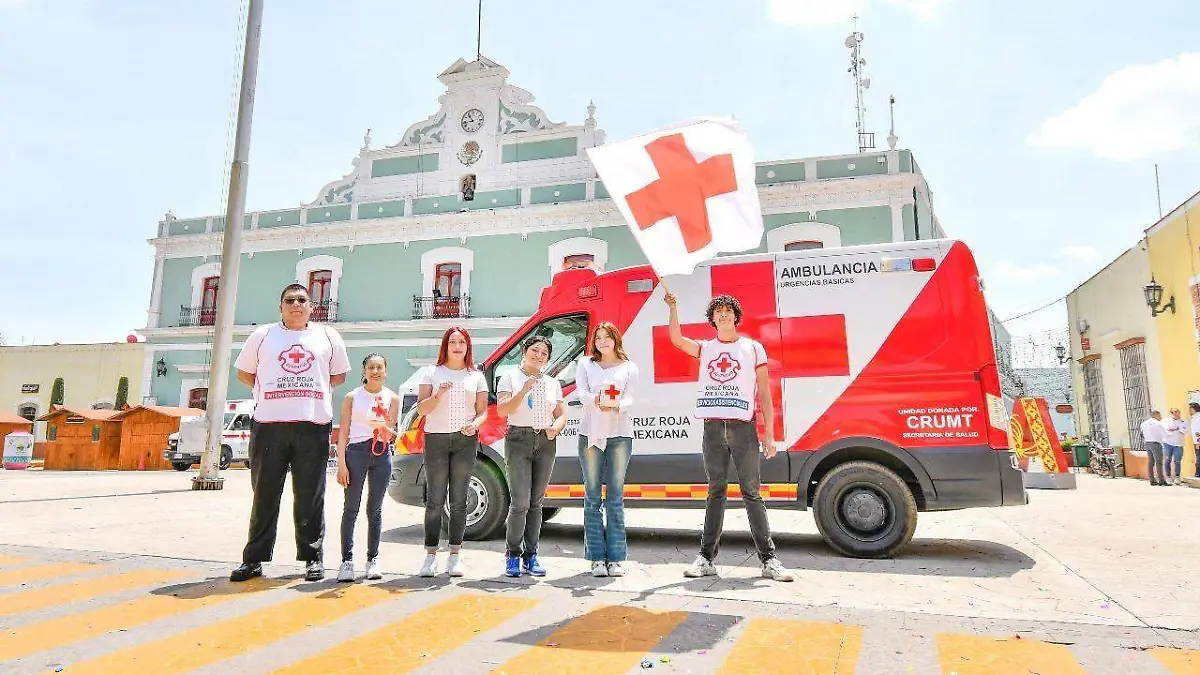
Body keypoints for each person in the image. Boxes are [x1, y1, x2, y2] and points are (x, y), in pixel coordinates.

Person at [664, 291, 795, 582]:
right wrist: (674, 308)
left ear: (736, 316)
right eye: (717, 312)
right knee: (716, 492)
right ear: (712, 319)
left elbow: (763, 392)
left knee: (752, 492)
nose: (723, 315)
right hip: (712, 427)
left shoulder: (753, 348)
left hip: (743, 427)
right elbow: (676, 340)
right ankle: (706, 558)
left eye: (727, 311)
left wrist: (769, 434)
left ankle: (769, 560)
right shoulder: (706, 348)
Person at [231, 283, 351, 582]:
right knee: (265, 495)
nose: (296, 305)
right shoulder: (263, 335)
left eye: (302, 300)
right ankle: (254, 559)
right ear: (280, 306)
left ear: (311, 306)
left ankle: (312, 558)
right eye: (289, 300)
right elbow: (245, 373)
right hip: (269, 426)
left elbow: (338, 375)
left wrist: (305, 392)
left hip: (312, 425)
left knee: (310, 495)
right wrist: (272, 391)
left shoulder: (328, 336)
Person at [415, 327, 488, 577]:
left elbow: (483, 412)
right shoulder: (431, 373)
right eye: (452, 342)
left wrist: (475, 425)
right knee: (435, 500)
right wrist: (438, 394)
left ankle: (455, 555)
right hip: (436, 439)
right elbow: (422, 410)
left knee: (459, 500)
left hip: (464, 441)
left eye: (462, 342)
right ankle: (430, 556)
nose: (457, 346)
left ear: (468, 347)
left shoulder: (475, 376)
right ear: (445, 346)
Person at [496, 336, 567, 578]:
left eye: (544, 353)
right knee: (520, 503)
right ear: (524, 352)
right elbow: (503, 409)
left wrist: (555, 427)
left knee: (537, 503)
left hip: (545, 441)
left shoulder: (552, 383)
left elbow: (560, 414)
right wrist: (523, 389)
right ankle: (513, 556)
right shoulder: (510, 377)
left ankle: (531, 556)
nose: (539, 356)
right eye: (534, 350)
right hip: (519, 439)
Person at [575, 322, 639, 578]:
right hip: (590, 435)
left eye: (607, 337)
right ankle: (596, 559)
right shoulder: (585, 364)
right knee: (592, 498)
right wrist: (597, 401)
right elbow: (581, 393)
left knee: (615, 498)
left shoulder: (629, 367)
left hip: (620, 436)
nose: (602, 342)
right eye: (598, 338)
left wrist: (615, 406)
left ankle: (615, 558)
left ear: (616, 339)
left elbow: (630, 399)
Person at [334, 354, 399, 582]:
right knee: (351, 508)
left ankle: (373, 559)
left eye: (379, 367)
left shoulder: (392, 398)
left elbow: (391, 432)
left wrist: (384, 427)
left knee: (375, 510)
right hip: (356, 453)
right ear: (364, 371)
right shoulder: (352, 397)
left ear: (385, 371)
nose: (375, 371)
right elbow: (342, 432)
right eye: (371, 367)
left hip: (381, 454)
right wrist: (341, 463)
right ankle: (347, 561)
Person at [1141, 411, 1167, 487]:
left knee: (1150, 462)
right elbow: (1165, 434)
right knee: (1158, 462)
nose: (1161, 417)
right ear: (1156, 415)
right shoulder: (1157, 423)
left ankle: (1152, 480)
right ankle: (1161, 480)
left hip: (1147, 443)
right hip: (1155, 443)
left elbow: (1141, 434)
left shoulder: (1143, 423)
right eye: (1160, 415)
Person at [1163, 408, 1188, 486]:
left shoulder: (1184, 421)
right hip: (1168, 443)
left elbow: (1187, 431)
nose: (1175, 413)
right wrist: (1178, 429)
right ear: (1171, 413)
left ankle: (1177, 477)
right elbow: (1166, 429)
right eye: (1173, 412)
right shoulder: (1166, 421)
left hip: (1179, 444)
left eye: (1177, 411)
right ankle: (1168, 477)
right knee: (1167, 460)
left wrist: (1177, 429)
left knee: (1177, 461)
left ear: (1179, 412)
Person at [1191, 402, 1200, 479]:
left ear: (1193, 409)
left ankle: (1198, 473)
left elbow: (1198, 431)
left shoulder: (1198, 417)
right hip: (1196, 441)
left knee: (1198, 457)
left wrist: (1198, 441)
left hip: (1198, 441)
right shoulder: (1194, 417)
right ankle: (1197, 473)